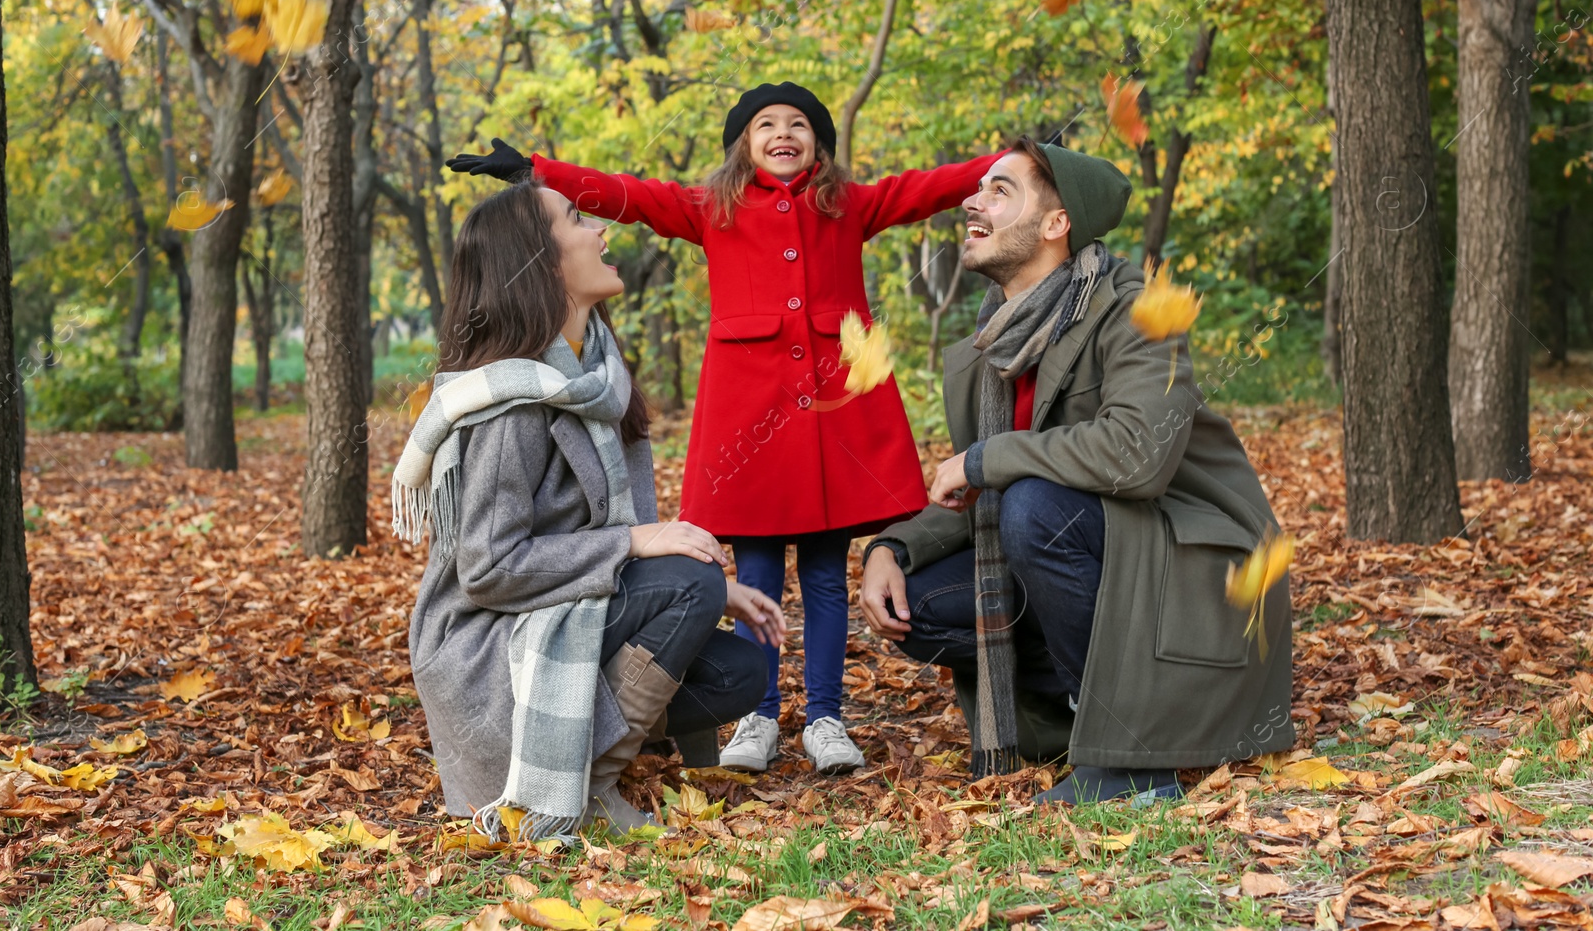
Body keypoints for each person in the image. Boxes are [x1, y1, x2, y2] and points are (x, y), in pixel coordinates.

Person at [447, 83, 1001, 775]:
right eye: (765, 124)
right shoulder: (712, 209)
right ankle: (760, 718)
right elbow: (629, 194)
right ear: (743, 143)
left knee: (827, 576)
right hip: (755, 422)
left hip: (832, 419)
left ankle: (826, 716)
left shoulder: (848, 204)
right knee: (759, 566)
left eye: (799, 124)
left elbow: (930, 187)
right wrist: (539, 172)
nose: (783, 133)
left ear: (819, 145)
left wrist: (1015, 163)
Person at [858, 136, 1295, 803]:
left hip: (1189, 563)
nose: (973, 202)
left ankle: (1132, 765)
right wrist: (892, 546)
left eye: (1001, 190)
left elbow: (1138, 454)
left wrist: (985, 457)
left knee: (1034, 507)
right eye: (977, 189)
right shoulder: (990, 348)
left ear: (1057, 224)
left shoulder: (1136, 308)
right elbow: (979, 493)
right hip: (1090, 546)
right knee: (917, 600)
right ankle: (1076, 716)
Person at [395, 180, 785, 839]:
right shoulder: (512, 401)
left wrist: (715, 584)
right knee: (691, 580)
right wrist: (641, 547)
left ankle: (584, 752)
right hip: (485, 642)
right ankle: (582, 789)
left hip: (563, 610)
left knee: (742, 670)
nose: (602, 231)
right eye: (577, 219)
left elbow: (631, 537)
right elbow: (487, 568)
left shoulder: (595, 378)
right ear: (539, 262)